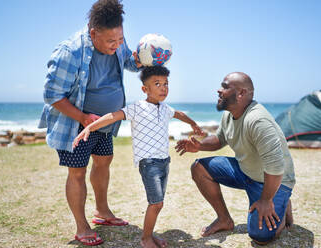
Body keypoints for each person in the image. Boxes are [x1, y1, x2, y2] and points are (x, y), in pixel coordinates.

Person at [38, 0, 142, 246]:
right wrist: (83, 118)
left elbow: (127, 61)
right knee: (77, 172)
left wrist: (140, 60)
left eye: (120, 40)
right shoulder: (69, 51)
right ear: (93, 32)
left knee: (104, 162)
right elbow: (52, 95)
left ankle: (103, 212)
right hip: (76, 124)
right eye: (110, 42)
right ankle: (82, 226)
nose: (116, 45)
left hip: (104, 123)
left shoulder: (115, 38)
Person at [73, 66, 204, 248]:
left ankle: (150, 234)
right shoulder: (137, 107)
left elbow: (179, 114)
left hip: (164, 162)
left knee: (157, 203)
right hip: (148, 163)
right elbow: (113, 116)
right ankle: (145, 239)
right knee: (156, 203)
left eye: (166, 84)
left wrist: (194, 124)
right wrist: (89, 127)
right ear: (145, 89)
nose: (163, 88)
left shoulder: (165, 109)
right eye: (157, 84)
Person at [175, 72, 296, 244]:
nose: (218, 90)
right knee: (199, 168)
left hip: (273, 181)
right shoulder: (229, 114)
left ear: (241, 93)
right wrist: (199, 146)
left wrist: (266, 200)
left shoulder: (258, 121)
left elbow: (276, 167)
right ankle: (224, 220)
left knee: (261, 236)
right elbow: (219, 139)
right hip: (245, 170)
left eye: (224, 86)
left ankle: (282, 204)